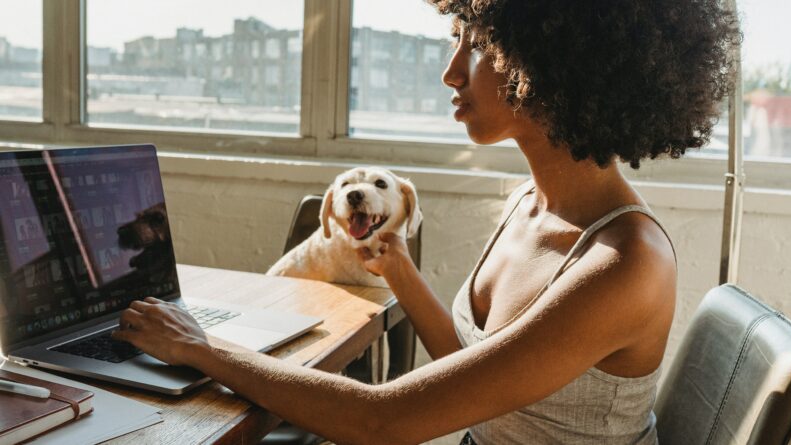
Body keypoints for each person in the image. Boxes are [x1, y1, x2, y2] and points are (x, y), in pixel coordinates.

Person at [111, 1, 739, 443]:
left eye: (478, 43)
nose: (451, 70)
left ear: (555, 62)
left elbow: (385, 423)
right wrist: (399, 269)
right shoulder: (529, 203)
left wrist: (199, 346)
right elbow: (473, 366)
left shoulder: (624, 265)